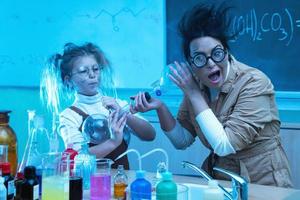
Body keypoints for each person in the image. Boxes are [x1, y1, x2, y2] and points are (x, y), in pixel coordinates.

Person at [131, 3, 292, 187]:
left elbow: (225, 145)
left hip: (263, 183)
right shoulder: (197, 86)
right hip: (222, 181)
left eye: (216, 53)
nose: (210, 63)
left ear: (227, 51)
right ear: (191, 63)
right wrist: (160, 107)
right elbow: (182, 140)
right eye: (199, 58)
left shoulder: (254, 83)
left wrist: (192, 93)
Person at [41, 42, 156, 169]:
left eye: (95, 69)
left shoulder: (117, 104)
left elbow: (150, 135)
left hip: (122, 181)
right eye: (84, 71)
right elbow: (77, 159)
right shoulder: (68, 115)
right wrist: (113, 142)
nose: (92, 75)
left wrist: (123, 114)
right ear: (69, 81)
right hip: (91, 184)